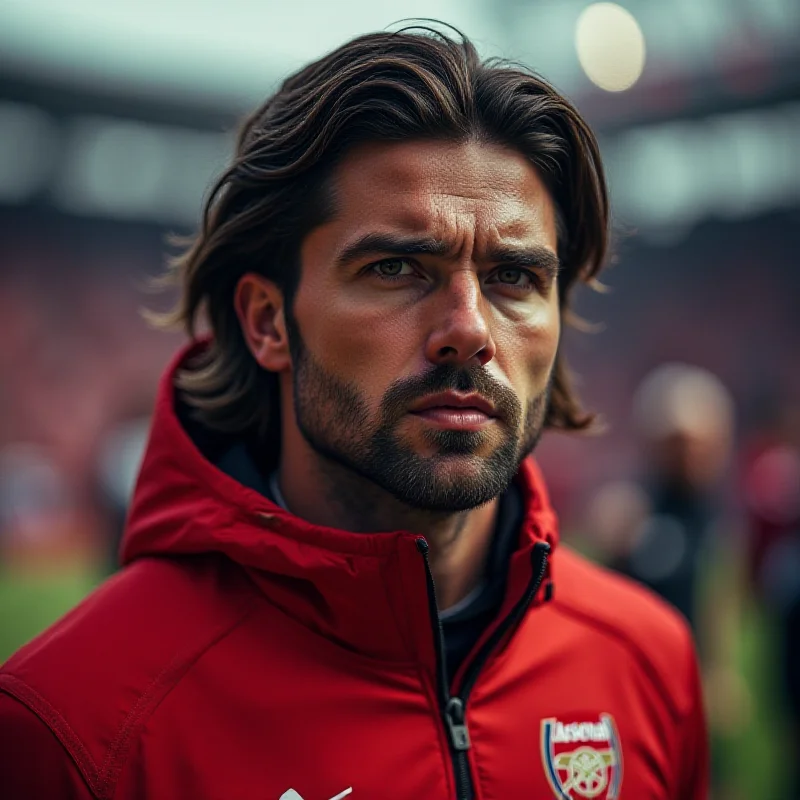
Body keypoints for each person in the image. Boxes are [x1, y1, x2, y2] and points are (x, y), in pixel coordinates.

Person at [0, 27, 708, 800]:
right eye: (397, 267)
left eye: (512, 275)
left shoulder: (648, 660)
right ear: (268, 322)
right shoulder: (72, 727)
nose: (469, 329)